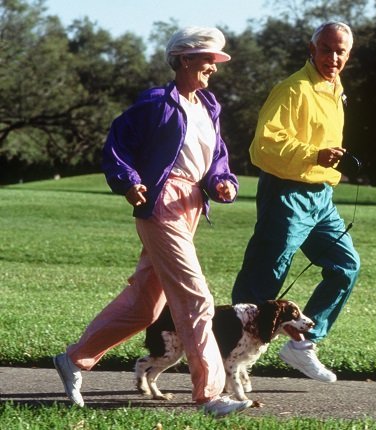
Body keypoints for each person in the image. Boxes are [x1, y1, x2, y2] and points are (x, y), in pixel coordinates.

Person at [53, 26, 252, 416]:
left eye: (216, 61)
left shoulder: (208, 106)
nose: (213, 67)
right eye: (207, 59)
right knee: (197, 298)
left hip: (191, 204)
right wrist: (128, 181)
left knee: (145, 306)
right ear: (183, 59)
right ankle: (211, 396)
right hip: (161, 203)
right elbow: (118, 144)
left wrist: (222, 183)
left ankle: (73, 360)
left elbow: (216, 160)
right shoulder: (156, 103)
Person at [231, 21, 360, 383]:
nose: (332, 58)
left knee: (345, 266)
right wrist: (313, 155)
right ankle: (228, 352)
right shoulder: (292, 89)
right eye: (326, 49)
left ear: (348, 55)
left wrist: (322, 162)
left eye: (340, 52)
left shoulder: (335, 88)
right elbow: (263, 146)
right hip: (286, 193)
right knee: (265, 276)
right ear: (312, 48)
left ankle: (302, 344)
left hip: (322, 197)